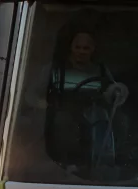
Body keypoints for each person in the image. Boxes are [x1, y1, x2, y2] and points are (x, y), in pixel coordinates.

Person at [45, 30, 129, 173]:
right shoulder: (55, 69)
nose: (81, 51)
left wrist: (118, 90)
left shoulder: (101, 69)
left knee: (121, 120)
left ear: (92, 49)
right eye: (78, 47)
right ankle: (69, 163)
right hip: (65, 110)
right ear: (71, 48)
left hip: (95, 108)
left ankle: (112, 162)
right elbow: (31, 95)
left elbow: (113, 89)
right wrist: (47, 106)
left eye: (86, 48)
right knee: (64, 122)